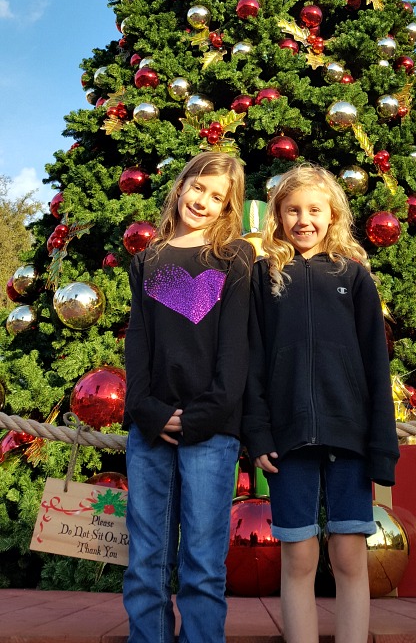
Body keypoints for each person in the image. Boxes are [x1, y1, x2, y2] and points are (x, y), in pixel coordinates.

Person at [243, 163, 399, 643]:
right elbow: (252, 362)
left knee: (350, 557)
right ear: (278, 216)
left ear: (333, 215)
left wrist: (381, 448)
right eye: (292, 210)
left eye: (314, 209)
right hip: (288, 440)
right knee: (299, 556)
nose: (304, 219)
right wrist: (258, 434)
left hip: (349, 438)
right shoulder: (264, 279)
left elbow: (376, 364)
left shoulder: (354, 277)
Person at [123, 152, 254, 643]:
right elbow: (139, 344)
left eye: (217, 197)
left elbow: (235, 348)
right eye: (199, 188)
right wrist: (149, 412)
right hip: (150, 428)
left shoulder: (234, 257)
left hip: (211, 431)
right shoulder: (148, 261)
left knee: (201, 560)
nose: (203, 201)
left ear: (228, 208)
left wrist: (201, 416)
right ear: (180, 187)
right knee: (147, 558)